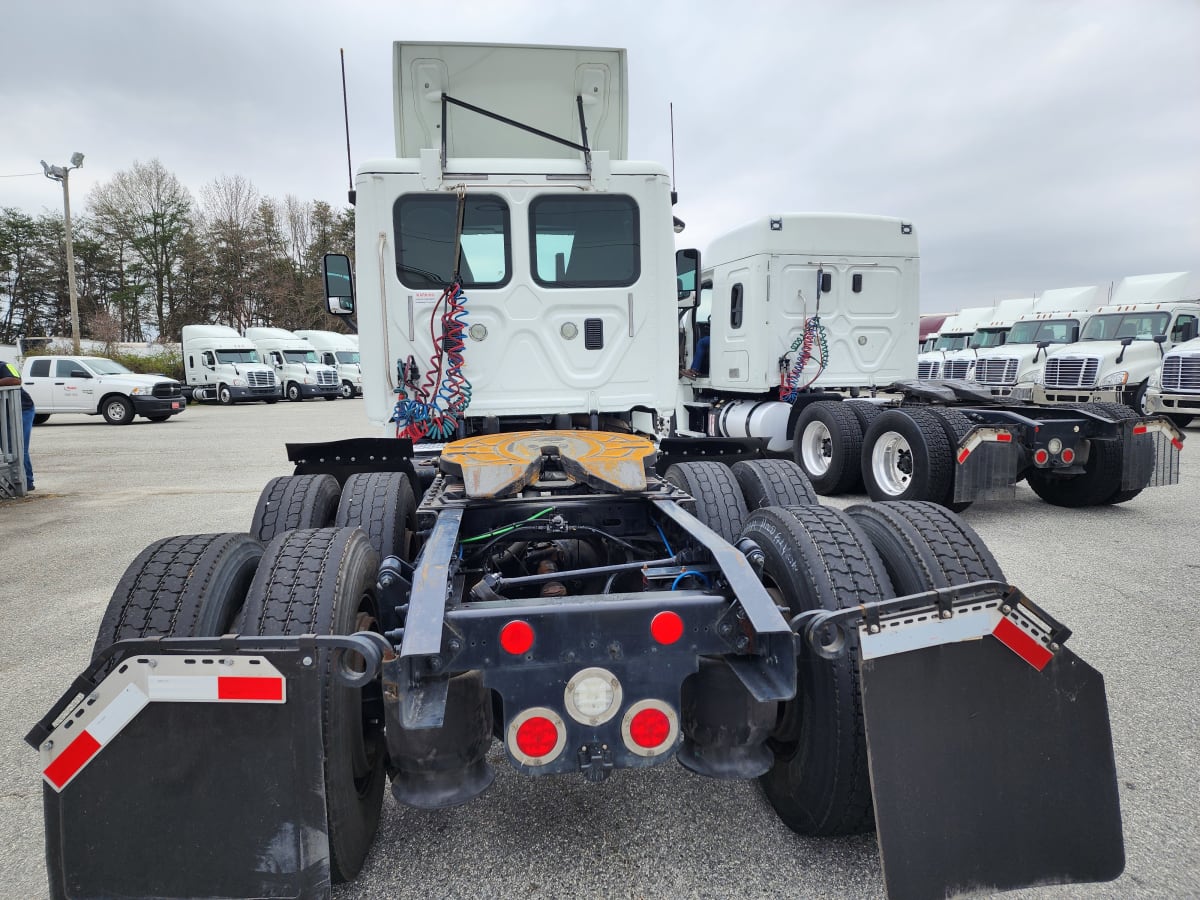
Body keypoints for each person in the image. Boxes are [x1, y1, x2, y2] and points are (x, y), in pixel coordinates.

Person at [0, 358, 34, 491]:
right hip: (3, 412)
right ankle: (12, 481)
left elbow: (16, 380)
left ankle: (26, 482)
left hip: (21, 409)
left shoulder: (5, 366)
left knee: (18, 447)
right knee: (6, 447)